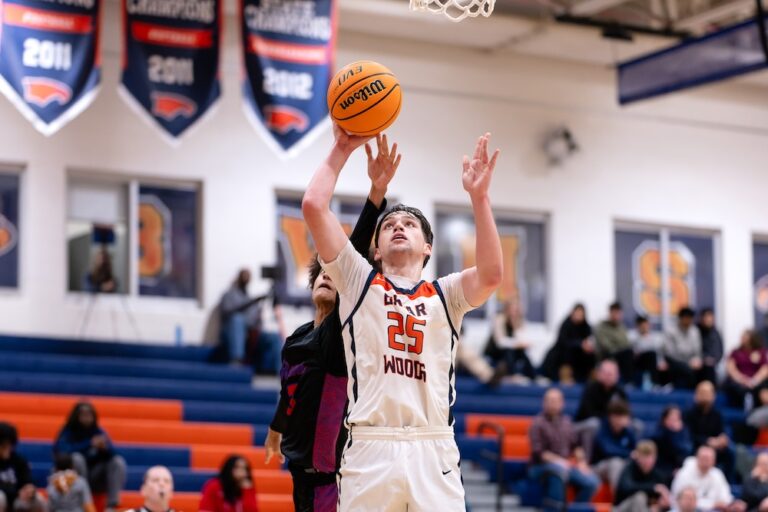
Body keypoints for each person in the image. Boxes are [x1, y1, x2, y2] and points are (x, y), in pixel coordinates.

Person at [302, 127, 503, 510]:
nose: (398, 226)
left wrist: (480, 198)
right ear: (374, 250)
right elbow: (314, 205)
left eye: (410, 224)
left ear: (427, 247)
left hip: (434, 446)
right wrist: (342, 148)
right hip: (372, 447)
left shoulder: (447, 293)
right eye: (389, 225)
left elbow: (492, 275)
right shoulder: (359, 280)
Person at [265, 135, 394, 511]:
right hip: (298, 468)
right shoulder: (298, 337)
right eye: (320, 273)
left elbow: (350, 255)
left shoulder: (344, 333)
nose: (326, 275)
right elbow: (289, 389)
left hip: (334, 477)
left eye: (334, 275)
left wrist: (375, 197)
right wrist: (276, 430)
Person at [527, 388, 599, 511]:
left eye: (556, 400)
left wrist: (582, 463)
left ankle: (575, 509)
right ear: (544, 403)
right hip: (540, 467)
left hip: (565, 466)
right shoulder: (537, 423)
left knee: (592, 481)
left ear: (562, 403)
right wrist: (559, 461)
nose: (553, 403)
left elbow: (576, 446)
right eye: (549, 400)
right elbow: (539, 453)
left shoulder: (567, 422)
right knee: (558, 472)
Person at [53, 402, 126, 512]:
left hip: (96, 477)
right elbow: (62, 452)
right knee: (77, 458)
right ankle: (83, 498)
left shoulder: (99, 432)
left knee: (117, 462)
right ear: (76, 416)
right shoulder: (67, 432)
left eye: (89, 414)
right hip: (74, 479)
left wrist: (104, 449)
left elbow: (114, 454)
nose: (87, 418)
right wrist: (89, 444)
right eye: (83, 415)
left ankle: (111, 505)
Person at [218, 269, 271, 366]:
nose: (246, 279)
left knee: (273, 337)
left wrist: (258, 316)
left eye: (248, 276)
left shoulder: (251, 299)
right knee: (237, 319)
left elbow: (254, 323)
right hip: (230, 333)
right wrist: (251, 302)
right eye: (244, 276)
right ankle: (237, 360)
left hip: (249, 333)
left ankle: (280, 373)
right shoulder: (229, 295)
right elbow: (226, 312)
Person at [685, 381, 735, 482]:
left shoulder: (717, 414)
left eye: (708, 394)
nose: (705, 397)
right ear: (696, 395)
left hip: (714, 447)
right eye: (702, 393)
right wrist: (707, 441)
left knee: (730, 453)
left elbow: (721, 432)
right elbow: (688, 435)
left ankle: (727, 482)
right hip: (696, 446)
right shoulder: (688, 414)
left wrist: (722, 439)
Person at [671, 446, 740, 512]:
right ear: (697, 458)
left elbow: (726, 498)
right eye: (704, 458)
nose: (706, 461)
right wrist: (712, 504)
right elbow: (680, 500)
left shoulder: (717, 474)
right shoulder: (684, 473)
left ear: (714, 461)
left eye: (709, 459)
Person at [484, 298, 536, 382]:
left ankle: (533, 377)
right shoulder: (499, 319)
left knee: (522, 352)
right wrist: (516, 344)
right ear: (507, 309)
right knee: (510, 350)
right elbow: (500, 342)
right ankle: (511, 375)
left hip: (510, 352)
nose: (514, 312)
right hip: (496, 352)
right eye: (513, 309)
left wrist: (515, 325)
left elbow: (521, 339)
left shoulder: (518, 321)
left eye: (516, 310)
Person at [613, 440, 671, 512]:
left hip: (645, 509)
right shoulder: (629, 468)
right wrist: (653, 488)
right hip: (622, 508)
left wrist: (661, 504)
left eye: (650, 457)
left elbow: (661, 499)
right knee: (639, 497)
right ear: (637, 457)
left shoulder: (658, 474)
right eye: (645, 457)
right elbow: (627, 488)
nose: (647, 461)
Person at [542, 303, 594, 383]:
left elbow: (589, 340)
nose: (579, 315)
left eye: (581, 313)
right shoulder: (566, 325)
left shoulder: (586, 327)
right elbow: (563, 342)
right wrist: (580, 344)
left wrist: (587, 346)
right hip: (562, 358)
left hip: (579, 360)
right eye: (577, 313)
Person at [590, 400, 636, 490]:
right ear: (612, 417)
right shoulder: (602, 429)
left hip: (622, 463)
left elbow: (634, 450)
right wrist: (628, 453)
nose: (624, 420)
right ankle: (618, 500)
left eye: (625, 416)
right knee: (615, 463)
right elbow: (608, 451)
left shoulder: (627, 431)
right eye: (621, 417)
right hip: (599, 467)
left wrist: (631, 454)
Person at [0, 422, 46, 512]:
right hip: (6, 497)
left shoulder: (19, 460)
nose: (7, 448)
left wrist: (29, 489)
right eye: (3, 445)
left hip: (18, 498)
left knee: (39, 499)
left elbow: (27, 480)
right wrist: (17, 492)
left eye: (9, 444)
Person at [724, 329, 768, 409]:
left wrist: (754, 381)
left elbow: (765, 369)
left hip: (756, 381)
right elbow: (730, 368)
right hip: (739, 381)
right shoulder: (735, 352)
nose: (742, 339)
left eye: (745, 337)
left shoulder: (761, 352)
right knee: (735, 387)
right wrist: (741, 379)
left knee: (763, 389)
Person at [662, 307, 703, 389]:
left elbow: (697, 351)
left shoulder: (695, 331)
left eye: (690, 318)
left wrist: (696, 359)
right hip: (674, 360)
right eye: (686, 318)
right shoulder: (671, 331)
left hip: (690, 361)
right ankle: (690, 392)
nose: (689, 321)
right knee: (686, 369)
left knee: (706, 367)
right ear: (680, 318)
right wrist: (687, 362)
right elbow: (670, 352)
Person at [653, 405, 694, 484]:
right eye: (672, 418)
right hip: (663, 468)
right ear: (664, 420)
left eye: (677, 419)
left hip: (680, 466)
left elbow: (687, 450)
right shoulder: (660, 434)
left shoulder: (683, 432)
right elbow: (671, 449)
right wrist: (673, 433)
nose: (674, 422)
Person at [594, 302, 632, 383]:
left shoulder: (621, 327)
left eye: (618, 313)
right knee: (626, 354)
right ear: (610, 313)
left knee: (630, 353)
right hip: (606, 355)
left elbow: (626, 343)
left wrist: (619, 346)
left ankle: (629, 383)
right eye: (614, 312)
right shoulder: (602, 326)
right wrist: (619, 347)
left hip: (621, 354)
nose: (616, 315)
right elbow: (605, 345)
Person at [629, 315, 664, 388]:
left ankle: (657, 384)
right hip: (637, 361)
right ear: (638, 326)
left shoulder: (654, 338)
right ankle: (631, 382)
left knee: (656, 358)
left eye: (646, 325)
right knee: (651, 354)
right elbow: (634, 352)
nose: (644, 327)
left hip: (651, 362)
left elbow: (658, 352)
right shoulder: (633, 337)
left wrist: (661, 362)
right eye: (642, 325)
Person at [698, 308, 724, 385]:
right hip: (700, 361)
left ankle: (711, 393)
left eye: (710, 317)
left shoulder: (716, 333)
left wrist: (714, 360)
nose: (708, 320)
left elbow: (719, 351)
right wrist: (704, 359)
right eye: (706, 317)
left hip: (713, 363)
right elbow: (694, 349)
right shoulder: (696, 331)